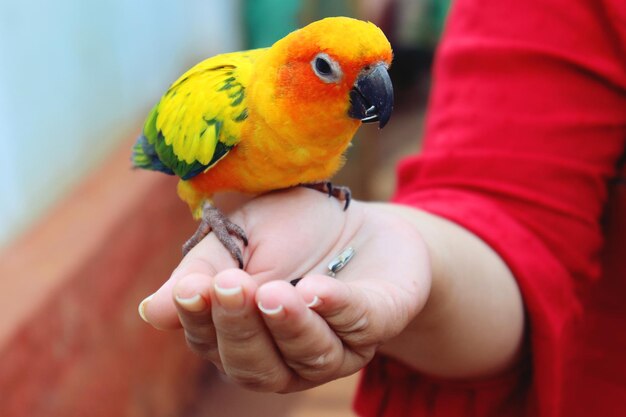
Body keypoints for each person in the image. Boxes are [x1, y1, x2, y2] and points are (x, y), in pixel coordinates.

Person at [137, 0, 626, 415]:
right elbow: (510, 210)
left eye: (379, 71)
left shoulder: (333, 126)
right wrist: (210, 213)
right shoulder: (228, 102)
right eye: (326, 69)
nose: (373, 86)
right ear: (293, 69)